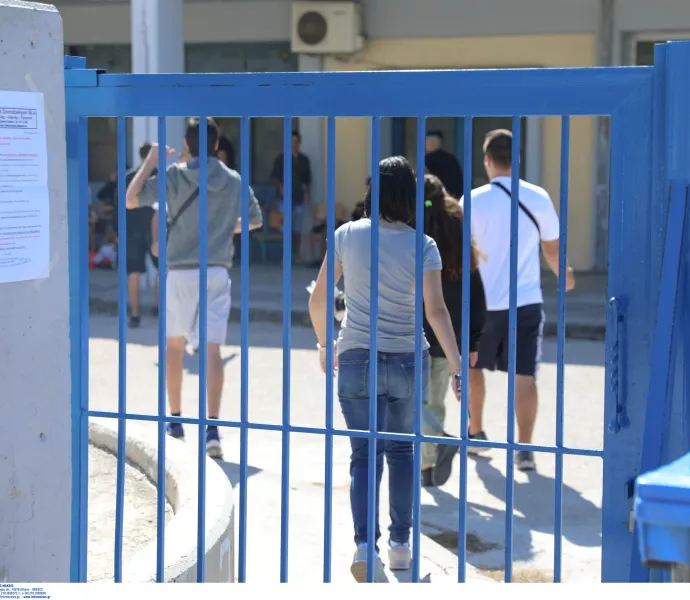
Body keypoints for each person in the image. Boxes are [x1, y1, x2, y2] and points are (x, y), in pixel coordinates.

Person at [308, 156, 462, 582]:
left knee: (363, 455)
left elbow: (318, 300)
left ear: (372, 193)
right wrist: (456, 366)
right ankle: (400, 546)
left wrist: (325, 343)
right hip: (407, 359)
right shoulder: (423, 245)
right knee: (401, 451)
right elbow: (436, 311)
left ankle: (364, 545)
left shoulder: (346, 235)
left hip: (356, 355)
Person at [126, 118, 263, 459]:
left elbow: (131, 199)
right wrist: (224, 229)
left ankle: (175, 422)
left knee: (174, 347)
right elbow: (256, 220)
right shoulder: (233, 179)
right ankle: (212, 430)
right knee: (212, 350)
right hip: (217, 269)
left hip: (180, 270)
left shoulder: (174, 176)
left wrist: (152, 161)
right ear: (217, 144)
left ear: (187, 144)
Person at [464, 129, 575, 472]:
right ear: (517, 159)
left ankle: (476, 432)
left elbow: (461, 252)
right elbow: (552, 249)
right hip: (524, 301)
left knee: (472, 367)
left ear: (487, 160)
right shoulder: (537, 197)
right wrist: (566, 276)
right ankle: (524, 449)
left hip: (481, 303)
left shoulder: (472, 200)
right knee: (524, 375)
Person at [421, 174, 487, 487]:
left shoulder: (410, 236)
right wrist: (472, 340)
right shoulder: (458, 236)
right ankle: (427, 464)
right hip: (448, 337)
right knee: (433, 401)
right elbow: (476, 293)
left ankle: (427, 456)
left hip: (408, 332)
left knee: (404, 401)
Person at [99, 143, 160, 327]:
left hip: (131, 230)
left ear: (140, 156)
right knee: (162, 269)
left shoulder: (128, 177)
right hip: (155, 229)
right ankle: (158, 308)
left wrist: (117, 231)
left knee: (133, 273)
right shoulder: (160, 176)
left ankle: (135, 315)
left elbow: (118, 207)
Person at [270, 130, 311, 258]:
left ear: (299, 142)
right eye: (291, 141)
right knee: (285, 229)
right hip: (284, 199)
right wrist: (280, 186)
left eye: (296, 141)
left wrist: (307, 194)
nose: (294, 144)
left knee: (297, 229)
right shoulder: (281, 159)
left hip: (299, 197)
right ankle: (285, 256)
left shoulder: (304, 160)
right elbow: (274, 177)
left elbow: (307, 180)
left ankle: (295, 255)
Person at [424, 131, 464, 199]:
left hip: (438, 199)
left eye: (427, 142)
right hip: (454, 198)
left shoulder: (429, 159)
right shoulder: (450, 158)